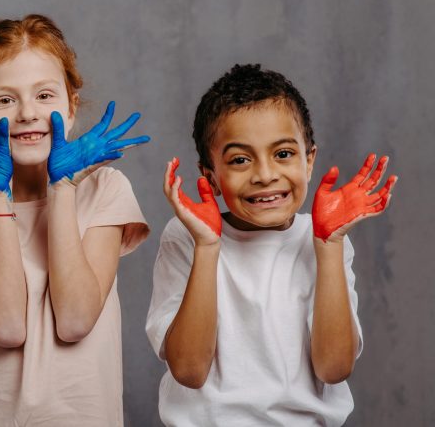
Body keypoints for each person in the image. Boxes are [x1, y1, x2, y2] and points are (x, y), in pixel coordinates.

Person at [0, 14, 151, 426]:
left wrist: (63, 188)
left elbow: (76, 319)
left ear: (71, 105)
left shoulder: (106, 188)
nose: (27, 113)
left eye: (44, 96)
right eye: (5, 100)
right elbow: (6, 327)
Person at [145, 64, 398, 426]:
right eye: (240, 160)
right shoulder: (186, 235)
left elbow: (333, 368)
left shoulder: (326, 239)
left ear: (309, 161)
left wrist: (329, 246)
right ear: (211, 177)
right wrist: (206, 246)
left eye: (283, 154)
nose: (265, 175)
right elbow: (189, 370)